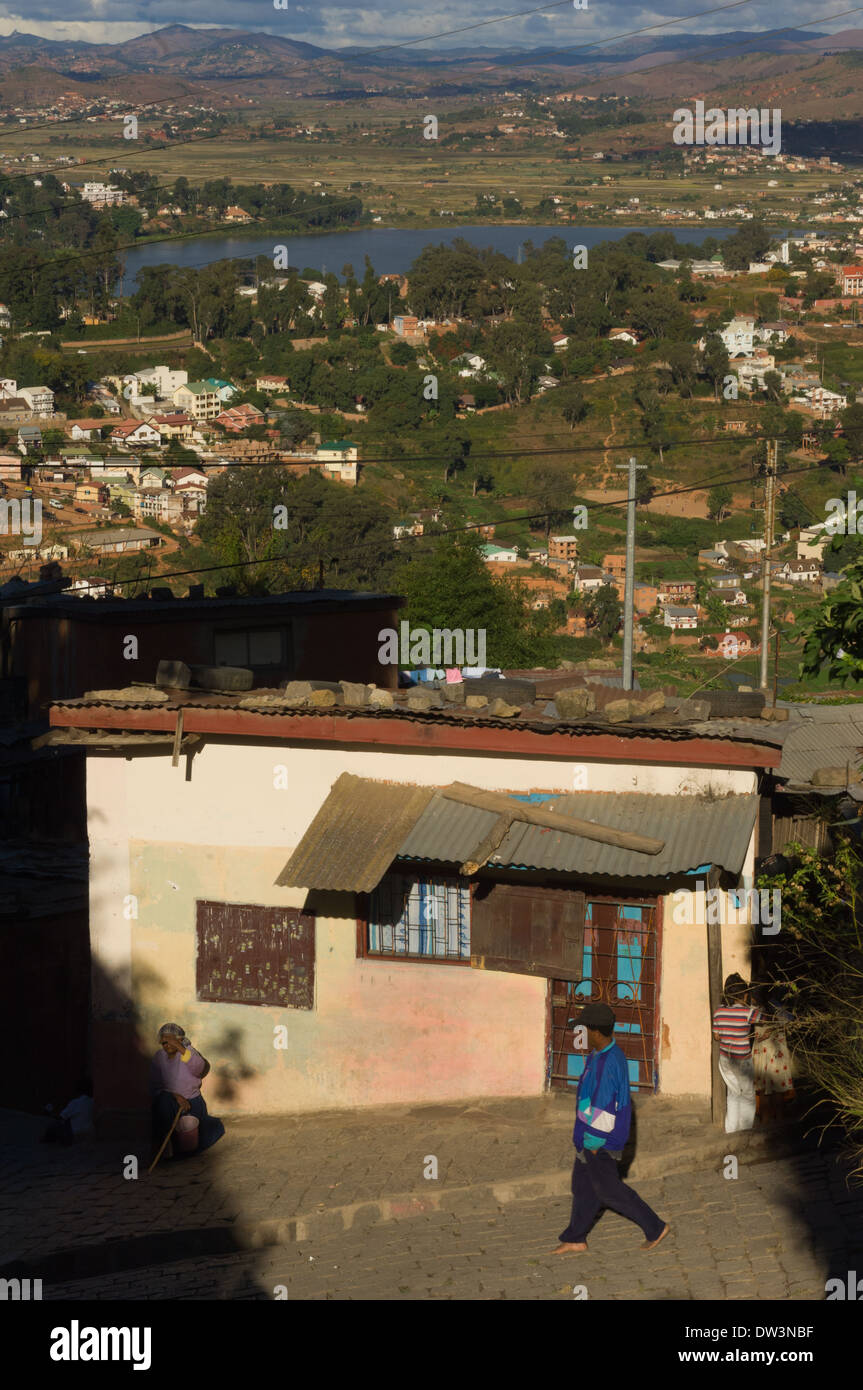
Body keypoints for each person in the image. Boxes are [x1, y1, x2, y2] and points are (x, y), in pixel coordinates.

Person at [554, 1002, 670, 1255]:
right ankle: (575, 1237)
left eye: (584, 1029)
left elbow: (605, 1110)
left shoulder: (608, 1063)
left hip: (599, 1140)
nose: (580, 1033)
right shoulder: (600, 1054)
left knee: (609, 1190)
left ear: (596, 1032)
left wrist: (593, 1143)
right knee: (583, 1186)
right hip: (589, 1136)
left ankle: (655, 1227)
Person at [150, 1023, 224, 1161]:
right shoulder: (159, 1057)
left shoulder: (188, 1052)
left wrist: (180, 1048)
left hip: (191, 1102)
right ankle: (166, 1147)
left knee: (207, 1130)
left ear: (180, 1040)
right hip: (169, 1103)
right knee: (162, 1104)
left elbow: (199, 1068)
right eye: (164, 1042)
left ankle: (183, 1147)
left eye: (171, 1041)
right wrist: (175, 1096)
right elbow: (154, 1085)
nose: (167, 1045)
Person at [712, 973, 762, 1133]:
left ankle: (731, 1130)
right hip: (742, 1060)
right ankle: (745, 1130)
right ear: (745, 994)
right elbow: (765, 1019)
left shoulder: (719, 1012)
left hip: (725, 1060)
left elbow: (717, 1036)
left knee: (733, 1094)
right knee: (747, 1095)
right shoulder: (749, 1013)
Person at [750, 984, 795, 1122]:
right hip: (778, 1054)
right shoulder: (778, 1008)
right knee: (779, 1091)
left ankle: (765, 1123)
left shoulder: (754, 1010)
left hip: (761, 1054)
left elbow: (750, 1020)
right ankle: (779, 1125)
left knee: (763, 1092)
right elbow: (791, 1019)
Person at [41, 1078, 94, 1145]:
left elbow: (61, 1117)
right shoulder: (92, 1102)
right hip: (89, 1134)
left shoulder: (75, 1103)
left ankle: (46, 1141)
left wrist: (50, 1113)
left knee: (54, 1125)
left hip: (75, 1135)